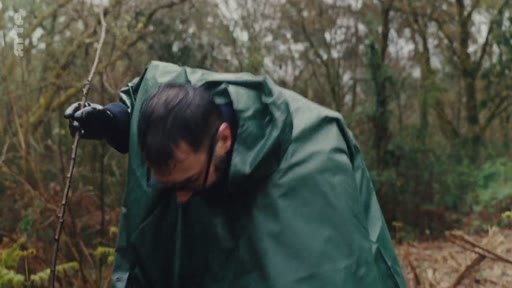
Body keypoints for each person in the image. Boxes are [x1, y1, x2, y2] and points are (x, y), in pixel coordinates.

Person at [65, 62, 406, 288]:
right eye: (166, 186)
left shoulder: (317, 152)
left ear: (224, 140)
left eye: (187, 184)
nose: (180, 200)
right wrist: (112, 122)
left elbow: (344, 269)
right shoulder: (177, 98)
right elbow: (143, 106)